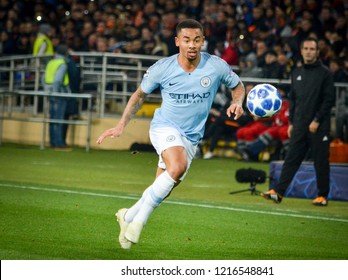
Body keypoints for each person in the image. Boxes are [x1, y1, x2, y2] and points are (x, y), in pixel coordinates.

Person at [96, 19, 245, 249]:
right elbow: (138, 96)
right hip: (164, 127)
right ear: (177, 42)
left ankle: (127, 216)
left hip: (191, 137)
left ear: (203, 41)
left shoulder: (216, 66)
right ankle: (138, 223)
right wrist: (121, 125)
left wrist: (237, 102)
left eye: (197, 40)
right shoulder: (162, 68)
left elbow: (237, 86)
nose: (192, 45)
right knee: (177, 167)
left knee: (164, 186)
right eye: (186, 40)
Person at [260, 37, 335, 206]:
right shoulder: (296, 73)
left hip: (318, 126)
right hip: (299, 125)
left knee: (320, 161)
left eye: (312, 49)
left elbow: (329, 100)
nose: (308, 51)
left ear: (317, 52)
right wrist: (291, 123)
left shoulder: (325, 74)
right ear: (301, 51)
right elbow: (293, 100)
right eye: (306, 48)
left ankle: (323, 196)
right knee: (291, 159)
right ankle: (278, 192)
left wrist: (317, 120)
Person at [43, 44, 71, 150]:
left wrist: (47, 90)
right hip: (59, 94)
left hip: (50, 93)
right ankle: (58, 144)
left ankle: (52, 142)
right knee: (58, 120)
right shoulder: (62, 64)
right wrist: (56, 92)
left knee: (53, 119)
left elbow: (43, 78)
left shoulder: (51, 62)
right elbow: (58, 80)